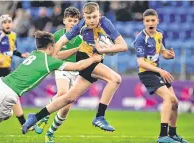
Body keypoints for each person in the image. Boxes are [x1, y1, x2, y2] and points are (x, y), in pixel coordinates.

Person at [22, 2, 128, 134]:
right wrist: (52, 58)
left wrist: (105, 48)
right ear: (84, 17)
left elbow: (123, 46)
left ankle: (35, 117)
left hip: (94, 59)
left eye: (94, 17)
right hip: (85, 58)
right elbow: (61, 41)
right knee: (115, 79)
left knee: (69, 98)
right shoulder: (81, 25)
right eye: (88, 18)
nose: (91, 21)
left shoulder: (105, 23)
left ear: (99, 14)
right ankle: (100, 116)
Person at [0, 30, 102, 135]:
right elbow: (78, 66)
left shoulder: (34, 53)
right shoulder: (49, 60)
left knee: (7, 113)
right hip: (7, 93)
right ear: (51, 46)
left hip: (1, 84)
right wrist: (94, 58)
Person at [134, 9, 188, 143]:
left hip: (157, 71)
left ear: (157, 21)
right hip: (147, 73)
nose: (150, 23)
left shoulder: (160, 34)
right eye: (147, 21)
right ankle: (162, 136)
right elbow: (141, 62)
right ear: (144, 22)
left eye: (153, 20)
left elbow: (161, 51)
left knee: (175, 102)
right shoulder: (140, 39)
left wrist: (167, 55)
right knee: (169, 98)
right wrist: (160, 71)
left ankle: (173, 134)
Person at [34, 7, 82, 143]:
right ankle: (43, 117)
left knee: (66, 107)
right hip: (62, 69)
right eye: (70, 20)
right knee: (62, 93)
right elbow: (55, 56)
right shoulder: (57, 36)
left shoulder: (82, 37)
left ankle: (50, 133)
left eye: (75, 21)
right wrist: (76, 50)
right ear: (64, 21)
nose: (73, 23)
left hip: (78, 72)